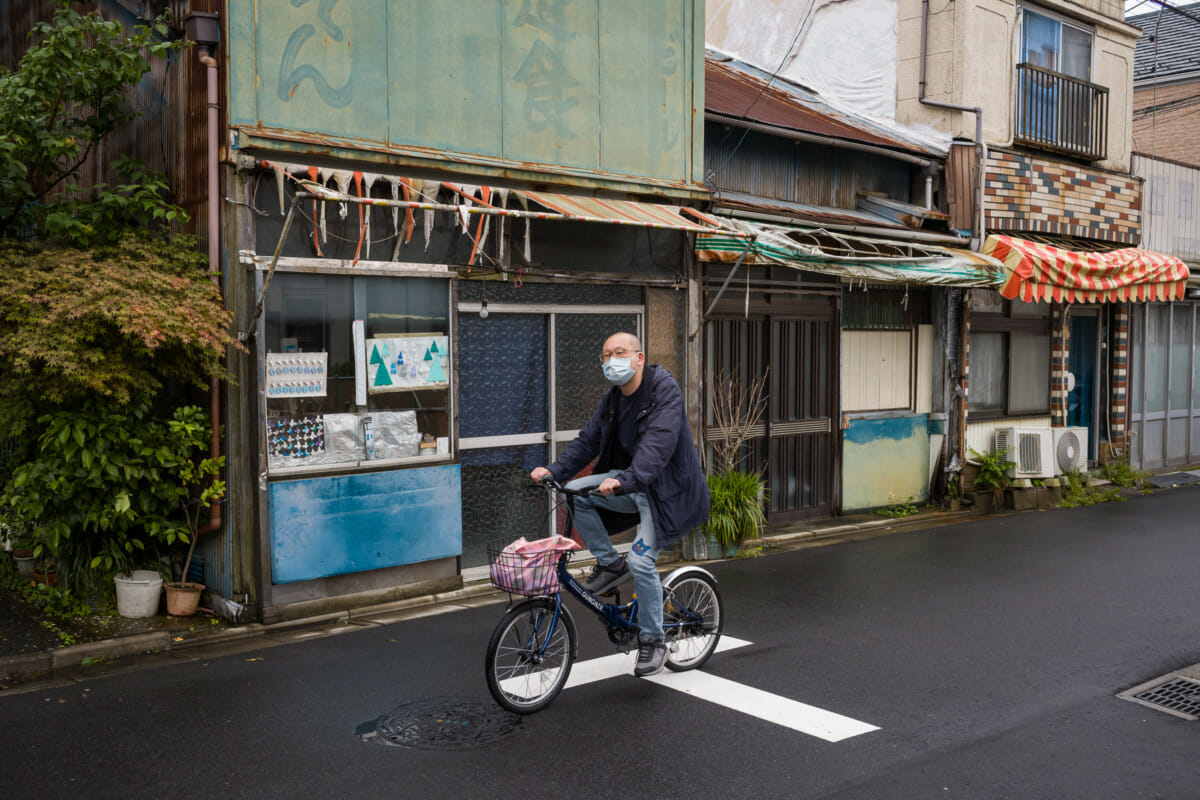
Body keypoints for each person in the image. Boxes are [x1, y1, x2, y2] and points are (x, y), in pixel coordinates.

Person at [530, 332, 709, 677]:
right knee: (575, 492)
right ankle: (611, 565)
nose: (612, 360)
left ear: (639, 357)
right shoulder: (612, 400)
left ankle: (654, 640)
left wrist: (625, 479)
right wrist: (553, 471)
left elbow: (658, 445)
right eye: (606, 355)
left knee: (641, 561)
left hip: (666, 495)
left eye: (620, 352)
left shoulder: (664, 391)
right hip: (631, 484)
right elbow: (587, 441)